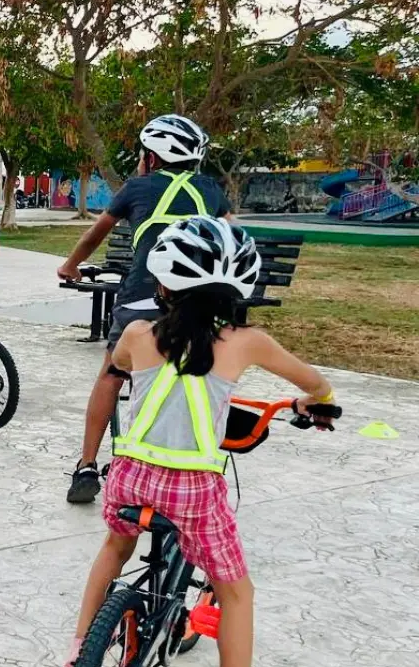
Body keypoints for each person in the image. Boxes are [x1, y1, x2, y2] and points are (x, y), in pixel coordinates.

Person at [63, 216, 336, 667]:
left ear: (164, 286)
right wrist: (317, 400)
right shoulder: (249, 342)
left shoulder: (135, 335)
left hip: (131, 477)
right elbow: (316, 382)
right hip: (192, 490)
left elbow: (122, 368)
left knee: (115, 548)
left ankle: (77, 648)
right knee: (236, 592)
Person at [57, 114, 233, 504]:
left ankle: (87, 465)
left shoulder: (137, 187)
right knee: (199, 378)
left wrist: (69, 266)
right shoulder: (212, 190)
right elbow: (233, 237)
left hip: (144, 297)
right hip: (204, 304)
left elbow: (94, 235)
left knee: (111, 376)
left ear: (151, 157)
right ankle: (198, 466)